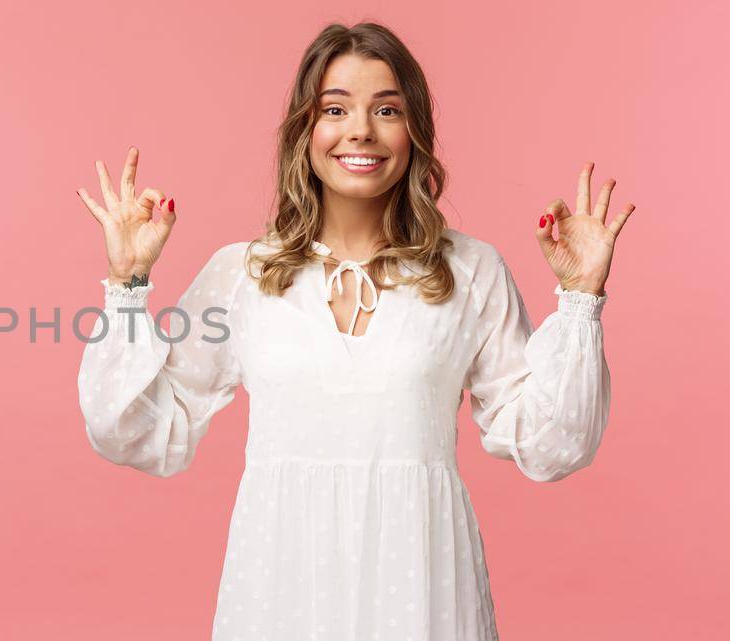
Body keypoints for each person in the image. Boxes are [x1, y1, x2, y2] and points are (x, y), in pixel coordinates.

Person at [72, 22, 635, 641]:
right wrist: (126, 282)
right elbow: (134, 428)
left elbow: (554, 440)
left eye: (386, 109)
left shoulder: (470, 271)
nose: (360, 129)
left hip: (422, 584)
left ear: (414, 130)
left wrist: (581, 297)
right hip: (280, 584)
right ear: (304, 132)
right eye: (335, 108)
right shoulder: (243, 274)